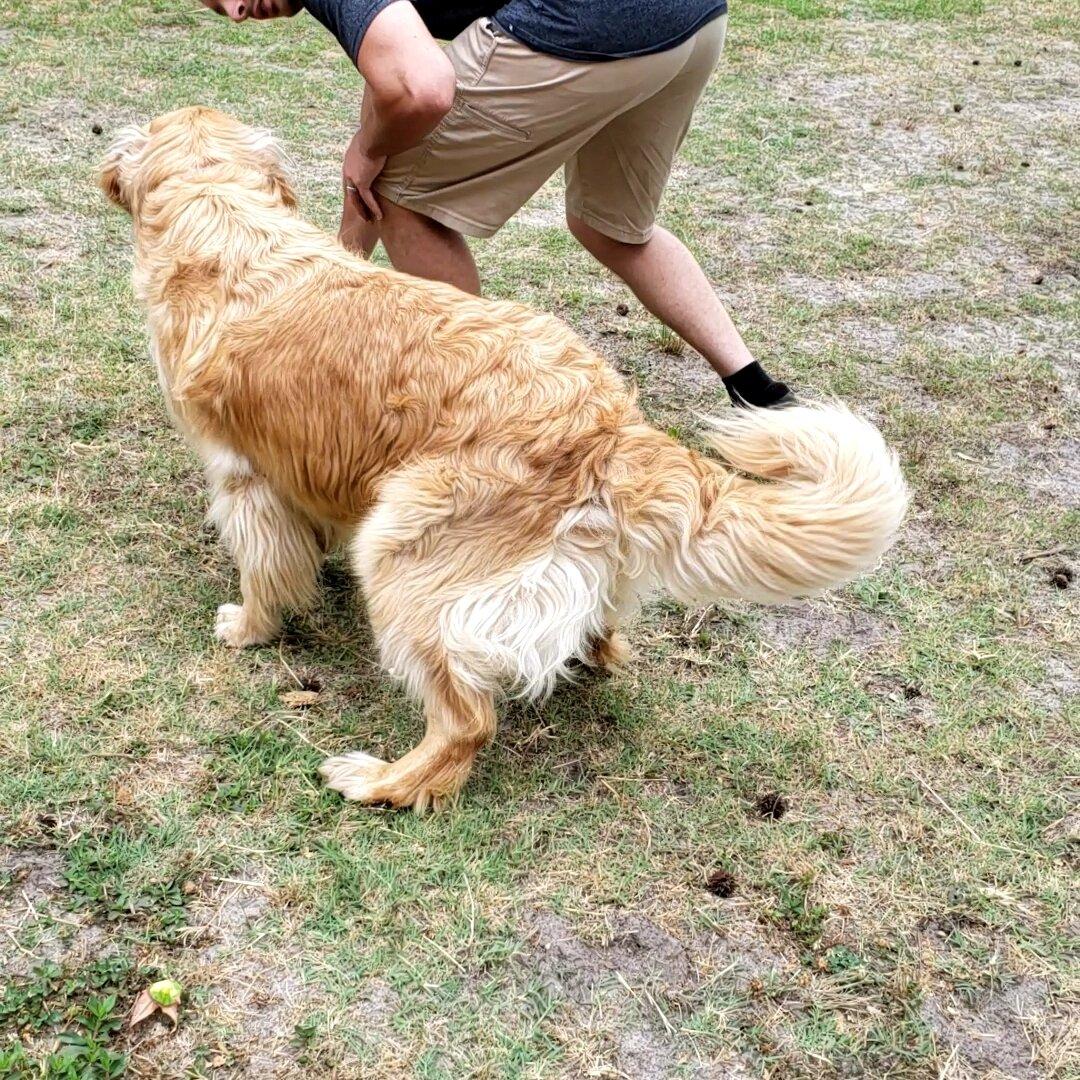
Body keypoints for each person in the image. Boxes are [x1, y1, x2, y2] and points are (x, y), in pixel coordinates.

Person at [197, 0, 795, 408]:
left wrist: (368, 150)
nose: (235, 11)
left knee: (408, 201)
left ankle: (487, 402)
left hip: (591, 23)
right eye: (214, 10)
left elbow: (421, 87)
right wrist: (343, 253)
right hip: (692, 21)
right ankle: (757, 389)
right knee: (612, 225)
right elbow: (390, 80)